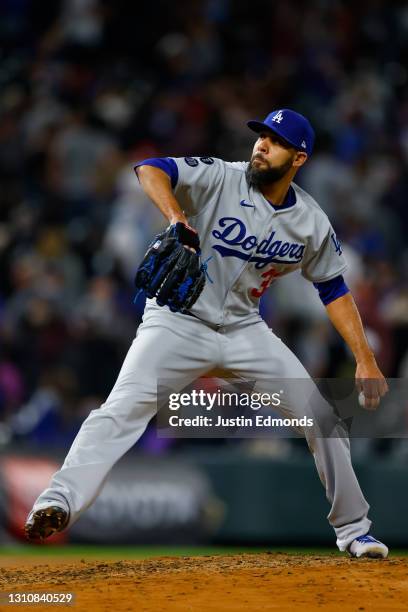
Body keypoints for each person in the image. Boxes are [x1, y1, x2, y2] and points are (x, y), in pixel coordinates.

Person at [25, 109, 389, 558]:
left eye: (274, 142)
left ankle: (355, 530)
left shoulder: (311, 221)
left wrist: (365, 358)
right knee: (120, 409)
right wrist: (177, 216)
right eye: (260, 137)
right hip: (177, 322)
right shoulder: (222, 177)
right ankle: (58, 501)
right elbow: (151, 169)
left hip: (245, 330)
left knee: (324, 418)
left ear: (298, 158)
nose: (260, 145)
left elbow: (334, 289)